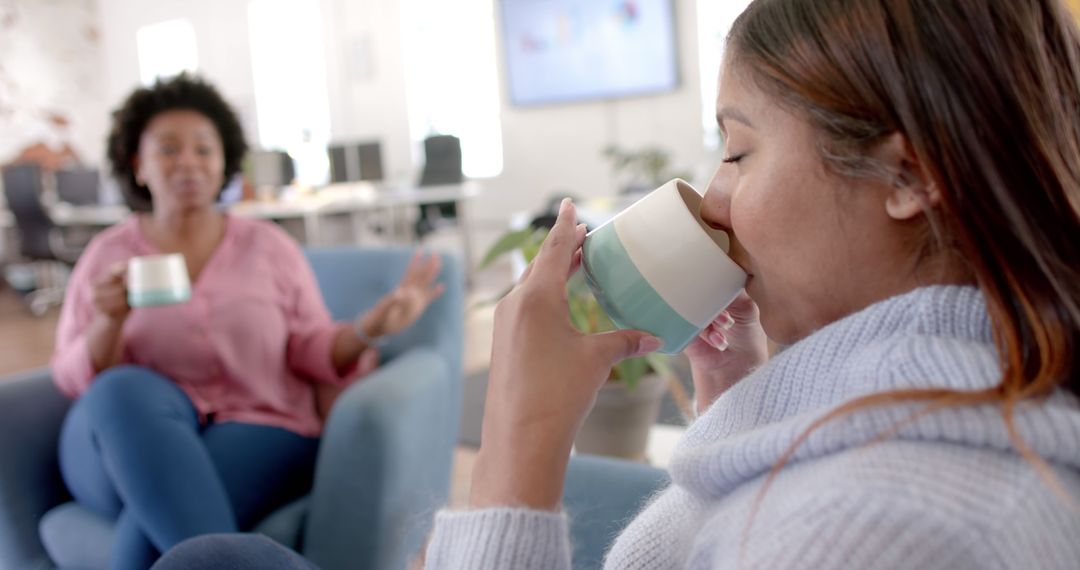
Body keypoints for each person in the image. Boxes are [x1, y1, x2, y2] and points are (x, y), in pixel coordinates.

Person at [152, 0, 1080, 568]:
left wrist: (518, 437)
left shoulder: (879, 530)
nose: (714, 194)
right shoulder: (942, 399)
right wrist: (744, 400)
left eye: (740, 149)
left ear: (913, 179)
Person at [50, 73, 444, 570]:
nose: (188, 162)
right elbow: (69, 376)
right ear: (139, 165)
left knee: (150, 523)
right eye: (169, 149)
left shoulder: (269, 247)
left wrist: (371, 326)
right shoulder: (106, 255)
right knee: (120, 391)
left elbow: (308, 346)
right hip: (120, 439)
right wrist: (108, 321)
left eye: (203, 149)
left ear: (223, 164)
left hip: (256, 424)